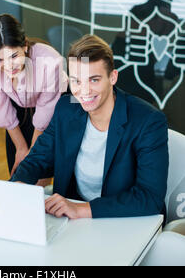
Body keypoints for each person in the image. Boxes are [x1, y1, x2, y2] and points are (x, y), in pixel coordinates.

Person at [11, 34, 169, 219]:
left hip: (127, 219)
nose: (83, 91)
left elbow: (149, 198)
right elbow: (38, 158)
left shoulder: (148, 121)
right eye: (76, 80)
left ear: (113, 77)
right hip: (75, 218)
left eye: (94, 80)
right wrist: (19, 185)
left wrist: (81, 210)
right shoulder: (66, 108)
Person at [0, 13, 67, 185]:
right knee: (18, 171)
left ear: (24, 46)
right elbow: (2, 110)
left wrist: (32, 155)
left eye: (14, 56)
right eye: (0, 59)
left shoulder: (50, 62)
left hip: (53, 105)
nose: (9, 66)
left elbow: (43, 117)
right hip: (19, 104)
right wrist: (21, 148)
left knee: (39, 174)